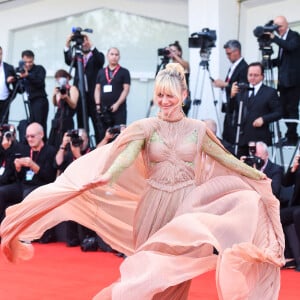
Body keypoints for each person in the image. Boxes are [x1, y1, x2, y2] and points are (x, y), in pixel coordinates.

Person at [0, 63, 284, 299]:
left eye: (170, 95)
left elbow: (226, 159)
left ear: (184, 94)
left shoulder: (198, 130)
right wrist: (108, 175)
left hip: (186, 208)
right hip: (152, 206)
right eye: (159, 95)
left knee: (176, 274)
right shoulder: (146, 127)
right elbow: (125, 157)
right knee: (149, 270)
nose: (164, 101)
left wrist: (254, 174)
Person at [0, 122, 56, 224]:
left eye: (32, 136)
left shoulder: (50, 150)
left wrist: (33, 166)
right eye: (27, 136)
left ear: (41, 135)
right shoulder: (24, 149)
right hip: (23, 185)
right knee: (2, 191)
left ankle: (26, 233)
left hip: (40, 186)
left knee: (28, 194)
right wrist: (17, 168)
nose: (29, 139)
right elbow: (19, 177)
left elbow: (50, 177)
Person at [230, 62, 282, 157]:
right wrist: (232, 96)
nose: (252, 78)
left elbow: (279, 112)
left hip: (259, 138)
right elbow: (231, 111)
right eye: (250, 75)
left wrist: (263, 119)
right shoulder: (242, 90)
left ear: (263, 76)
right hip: (242, 138)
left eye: (256, 75)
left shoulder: (270, 92)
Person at [64, 33, 105, 143]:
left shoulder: (96, 56)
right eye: (82, 42)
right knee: (81, 123)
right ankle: (82, 146)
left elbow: (101, 61)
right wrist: (67, 44)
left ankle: (98, 145)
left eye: (84, 41)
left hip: (92, 96)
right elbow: (68, 61)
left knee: (97, 124)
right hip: (80, 95)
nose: (83, 44)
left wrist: (90, 44)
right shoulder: (77, 57)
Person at [269, 16, 300, 146]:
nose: (278, 30)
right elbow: (283, 60)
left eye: (280, 26)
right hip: (283, 82)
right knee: (282, 110)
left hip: (293, 82)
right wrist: (269, 62)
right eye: (276, 27)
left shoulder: (294, 36)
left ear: (286, 25)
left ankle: (292, 137)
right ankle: (289, 135)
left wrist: (274, 38)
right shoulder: (281, 40)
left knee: (292, 109)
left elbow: (290, 47)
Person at [213, 40, 248, 145]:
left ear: (236, 51)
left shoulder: (244, 67)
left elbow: (241, 88)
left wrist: (224, 85)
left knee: (231, 140)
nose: (227, 56)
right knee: (226, 139)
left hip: (236, 111)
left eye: (229, 53)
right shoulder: (233, 66)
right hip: (229, 109)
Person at [94, 47, 130, 141]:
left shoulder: (124, 72)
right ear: (107, 56)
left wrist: (117, 104)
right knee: (103, 135)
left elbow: (126, 90)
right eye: (112, 54)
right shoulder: (101, 72)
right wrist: (98, 104)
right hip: (103, 110)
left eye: (116, 54)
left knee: (118, 136)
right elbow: (97, 89)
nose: (114, 57)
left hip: (118, 110)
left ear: (119, 57)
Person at [17, 50, 49, 139]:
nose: (28, 64)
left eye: (30, 61)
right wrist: (16, 80)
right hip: (30, 101)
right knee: (31, 125)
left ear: (33, 60)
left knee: (39, 125)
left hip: (40, 100)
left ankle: (43, 147)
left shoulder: (39, 69)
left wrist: (28, 75)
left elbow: (40, 82)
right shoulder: (21, 71)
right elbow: (20, 90)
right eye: (25, 62)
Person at [0, 124, 26, 223]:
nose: (5, 137)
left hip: (12, 183)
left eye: (9, 134)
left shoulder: (19, 148)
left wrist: (7, 150)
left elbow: (9, 174)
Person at [48, 69, 79, 150]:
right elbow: (55, 104)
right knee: (53, 142)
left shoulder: (72, 88)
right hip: (58, 118)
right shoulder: (60, 89)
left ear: (67, 78)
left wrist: (66, 98)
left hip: (67, 117)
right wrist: (54, 95)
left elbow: (73, 105)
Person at [280, 154, 300, 271]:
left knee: (297, 215)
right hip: (296, 205)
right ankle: (289, 255)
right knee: (278, 216)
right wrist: (293, 169)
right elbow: (286, 183)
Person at [166, 41, 191, 115]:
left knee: (181, 118)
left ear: (179, 52)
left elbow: (186, 67)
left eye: (173, 51)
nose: (171, 53)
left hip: (182, 99)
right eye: (170, 51)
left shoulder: (184, 64)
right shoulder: (168, 65)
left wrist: (174, 55)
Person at [0, 46, 16, 124]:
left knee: (3, 125)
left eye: (0, 54)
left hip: (4, 101)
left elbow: (17, 86)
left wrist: (11, 98)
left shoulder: (8, 67)